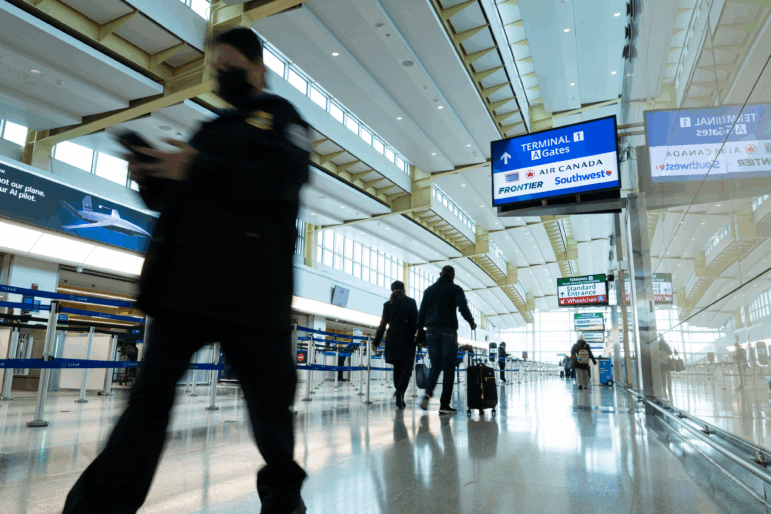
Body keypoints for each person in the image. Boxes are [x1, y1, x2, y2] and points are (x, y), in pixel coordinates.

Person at [63, 28, 309, 514]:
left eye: (229, 63)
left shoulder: (282, 119)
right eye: (213, 64)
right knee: (147, 402)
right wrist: (152, 177)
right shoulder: (211, 129)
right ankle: (97, 507)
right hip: (185, 291)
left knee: (270, 410)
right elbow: (180, 198)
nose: (219, 71)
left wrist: (195, 167)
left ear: (257, 68)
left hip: (252, 294)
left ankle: (283, 502)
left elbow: (281, 181)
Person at [417, 265, 477, 414]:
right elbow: (463, 307)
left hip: (430, 332)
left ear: (440, 274)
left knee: (435, 365)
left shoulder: (428, 290)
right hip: (448, 332)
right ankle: (444, 405)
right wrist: (471, 322)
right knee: (449, 367)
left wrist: (419, 333)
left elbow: (421, 313)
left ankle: (428, 394)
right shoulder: (455, 289)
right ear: (452, 274)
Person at [372, 281, 418, 409]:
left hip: (392, 337)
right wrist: (419, 340)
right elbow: (416, 323)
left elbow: (382, 325)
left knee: (397, 368)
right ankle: (399, 393)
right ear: (404, 289)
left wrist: (376, 342)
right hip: (407, 338)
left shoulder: (388, 304)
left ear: (392, 289)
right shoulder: (411, 302)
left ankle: (399, 394)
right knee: (407, 369)